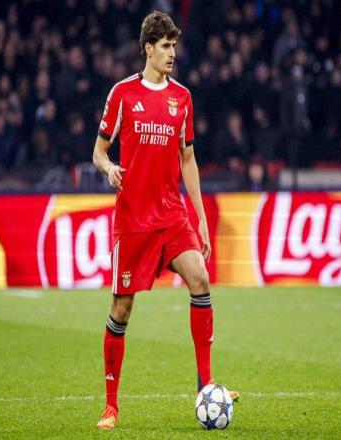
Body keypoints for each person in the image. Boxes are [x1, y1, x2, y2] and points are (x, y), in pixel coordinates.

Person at [92, 11, 238, 431]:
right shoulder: (123, 94)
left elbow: (188, 160)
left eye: (174, 46)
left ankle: (206, 385)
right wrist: (109, 169)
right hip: (134, 220)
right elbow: (99, 151)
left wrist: (201, 219)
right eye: (166, 46)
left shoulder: (183, 98)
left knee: (201, 279)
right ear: (148, 49)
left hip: (172, 215)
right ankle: (111, 406)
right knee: (121, 308)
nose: (173, 53)